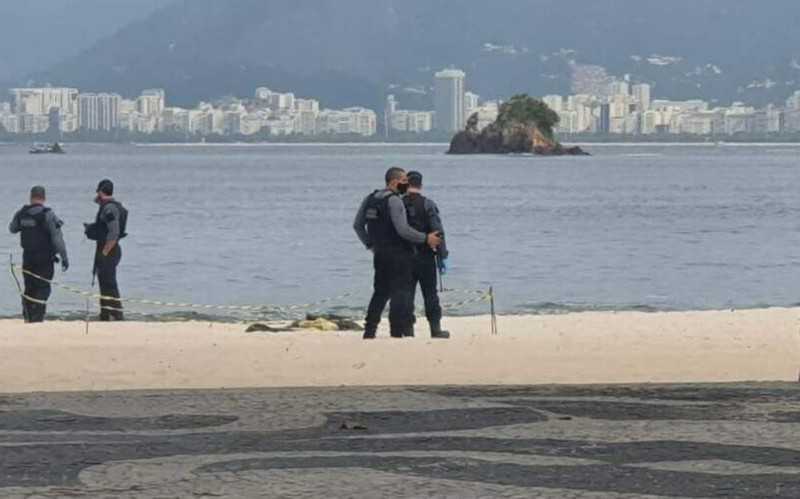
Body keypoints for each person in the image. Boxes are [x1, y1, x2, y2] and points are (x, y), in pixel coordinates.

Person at [354, 167, 442, 339]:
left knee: (380, 292)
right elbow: (403, 230)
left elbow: (358, 226)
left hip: (380, 254)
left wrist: (370, 245)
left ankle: (369, 330)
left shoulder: (370, 198)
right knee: (400, 293)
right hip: (398, 255)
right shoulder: (394, 201)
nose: (407, 184)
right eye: (404, 181)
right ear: (394, 182)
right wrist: (426, 238)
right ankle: (396, 333)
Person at [8, 186, 69, 323]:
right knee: (43, 287)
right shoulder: (48, 214)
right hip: (45, 259)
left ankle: (28, 316)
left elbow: (12, 229)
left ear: (31, 197)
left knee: (29, 287)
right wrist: (64, 257)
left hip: (28, 257)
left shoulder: (22, 213)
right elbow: (57, 239)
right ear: (44, 197)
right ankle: (37, 318)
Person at [404, 171, 450, 339]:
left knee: (406, 294)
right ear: (421, 186)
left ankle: (407, 330)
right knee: (430, 294)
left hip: (404, 257)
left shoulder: (398, 204)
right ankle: (435, 329)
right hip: (425, 256)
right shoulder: (428, 204)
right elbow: (438, 231)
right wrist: (442, 256)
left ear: (405, 184)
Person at [84, 179, 128, 321]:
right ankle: (105, 315)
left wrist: (104, 252)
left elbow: (114, 232)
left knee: (109, 284)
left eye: (98, 191)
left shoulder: (109, 209)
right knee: (104, 283)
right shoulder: (108, 206)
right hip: (108, 248)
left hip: (109, 250)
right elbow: (105, 228)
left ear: (101, 191)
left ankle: (117, 315)